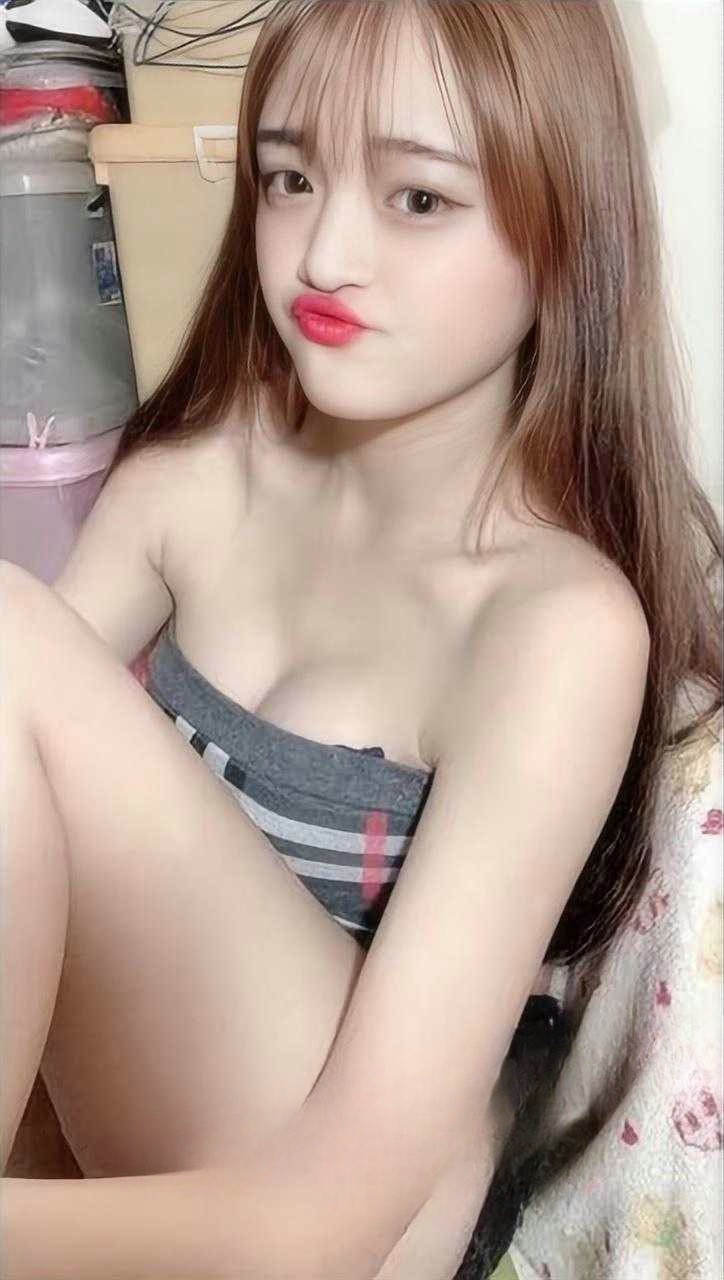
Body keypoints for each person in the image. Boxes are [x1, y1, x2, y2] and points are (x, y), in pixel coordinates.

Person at [1, 1, 721, 1277]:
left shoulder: (555, 629)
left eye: (418, 198)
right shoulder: (195, 480)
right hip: (160, 1134)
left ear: (566, 228)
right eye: (290, 178)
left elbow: (326, 1221)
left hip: (355, 1223)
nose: (323, 255)